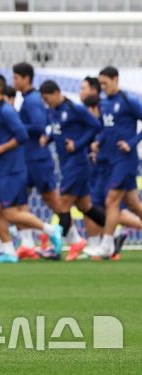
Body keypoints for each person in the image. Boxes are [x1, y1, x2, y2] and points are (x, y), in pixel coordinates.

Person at [0, 73, 62, 263]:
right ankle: (8, 251)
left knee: (10, 212)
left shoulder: (7, 111)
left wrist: (0, 148)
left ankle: (52, 230)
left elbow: (22, 135)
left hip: (12, 169)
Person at [38, 80, 104, 260]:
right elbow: (58, 131)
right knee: (84, 206)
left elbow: (96, 126)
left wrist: (79, 144)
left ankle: (57, 248)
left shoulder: (76, 109)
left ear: (57, 92)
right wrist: (48, 139)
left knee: (62, 204)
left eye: (47, 98)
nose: (46, 102)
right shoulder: (52, 111)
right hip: (66, 163)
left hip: (77, 163)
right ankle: (112, 236)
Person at [85, 66, 142, 258]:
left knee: (111, 201)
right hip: (110, 161)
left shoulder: (128, 101)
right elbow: (105, 129)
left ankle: (107, 244)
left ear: (115, 80)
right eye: (100, 83)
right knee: (134, 205)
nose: (102, 87)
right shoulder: (103, 104)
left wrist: (131, 143)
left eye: (105, 83)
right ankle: (107, 242)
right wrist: (97, 143)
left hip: (125, 160)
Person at [12, 62, 63, 259]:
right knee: (18, 201)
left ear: (26, 78)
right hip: (27, 159)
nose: (14, 81)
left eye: (16, 78)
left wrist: (17, 128)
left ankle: (74, 238)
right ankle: (26, 243)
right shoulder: (27, 100)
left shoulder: (32, 100)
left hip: (38, 159)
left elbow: (39, 125)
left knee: (53, 201)